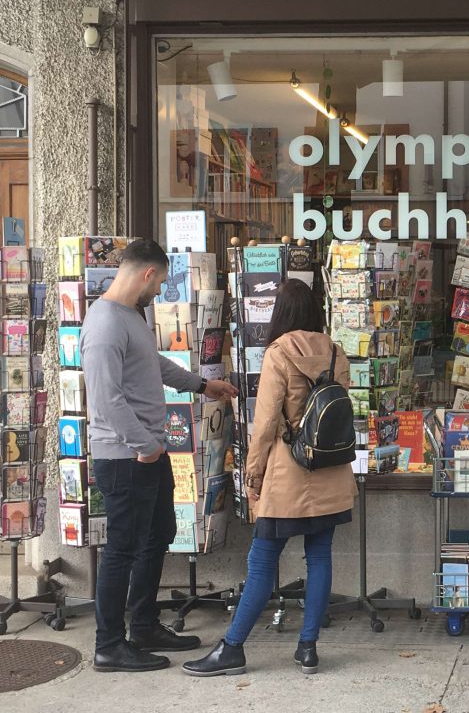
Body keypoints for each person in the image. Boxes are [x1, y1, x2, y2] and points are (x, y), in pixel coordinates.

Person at [183, 279, 357, 677]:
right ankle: (308, 648)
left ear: (281, 314)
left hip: (287, 476)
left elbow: (264, 425)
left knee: (261, 562)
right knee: (320, 557)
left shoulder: (279, 353)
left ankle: (232, 648)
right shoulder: (335, 352)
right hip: (330, 471)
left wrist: (253, 476)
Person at [80, 239, 237, 673]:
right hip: (127, 456)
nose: (160, 290)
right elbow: (106, 400)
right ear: (147, 273)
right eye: (161, 282)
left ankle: (144, 626)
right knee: (122, 549)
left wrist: (202, 385)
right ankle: (109, 645)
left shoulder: (131, 315)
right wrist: (145, 447)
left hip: (148, 451)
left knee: (159, 533)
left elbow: (155, 365)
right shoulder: (105, 324)